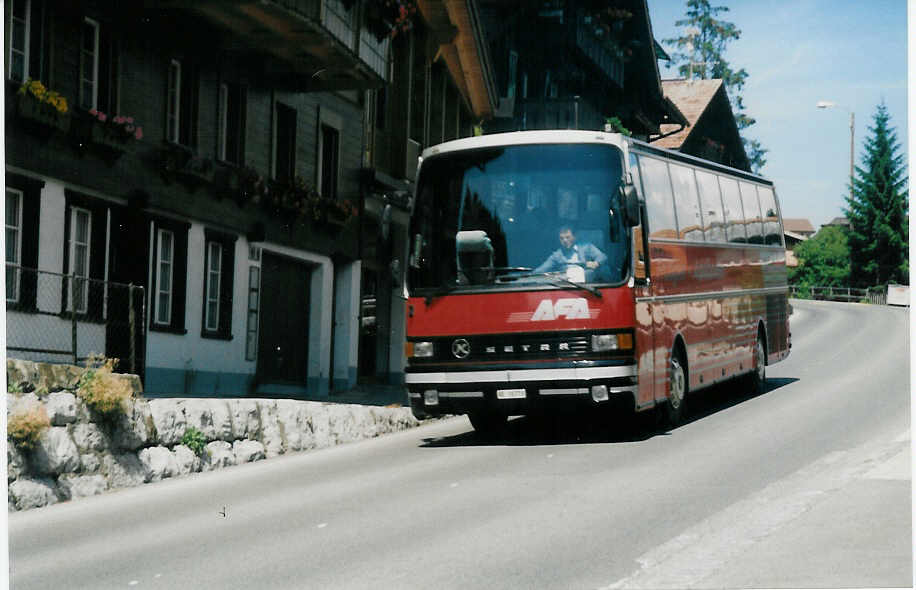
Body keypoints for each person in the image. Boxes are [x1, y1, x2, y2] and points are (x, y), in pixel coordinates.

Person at [534, 226, 607, 278]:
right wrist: (528, 276)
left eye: (567, 237)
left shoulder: (586, 247)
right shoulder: (557, 255)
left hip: (588, 285)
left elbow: (602, 256)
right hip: (567, 285)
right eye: (562, 238)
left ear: (574, 237)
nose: (565, 240)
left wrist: (596, 263)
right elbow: (541, 269)